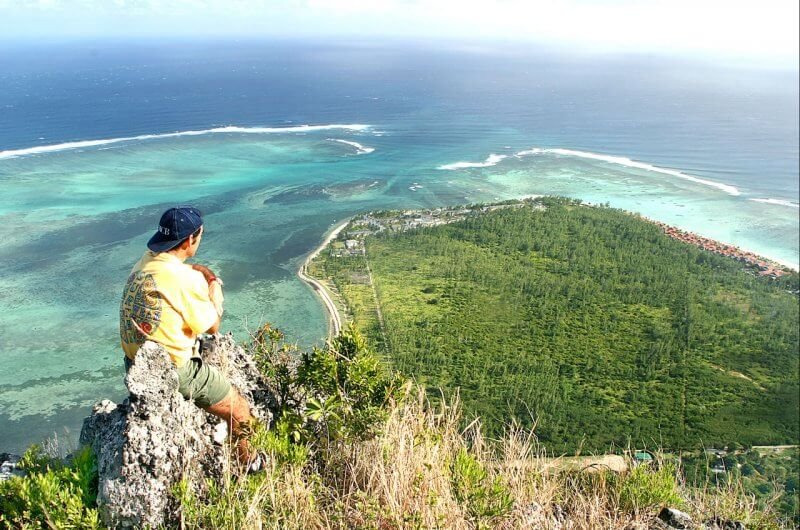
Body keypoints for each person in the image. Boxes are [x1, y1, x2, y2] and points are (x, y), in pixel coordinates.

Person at [119, 206, 257, 466]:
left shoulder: (147, 261)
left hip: (135, 364)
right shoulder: (183, 280)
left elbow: (183, 272)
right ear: (191, 239)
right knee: (240, 411)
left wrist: (203, 272)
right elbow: (212, 327)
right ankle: (249, 466)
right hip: (174, 371)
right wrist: (214, 289)